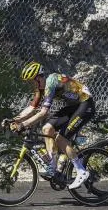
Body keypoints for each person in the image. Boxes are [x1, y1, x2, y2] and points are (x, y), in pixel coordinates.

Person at [7, 61, 96, 190]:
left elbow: (43, 112)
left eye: (31, 81)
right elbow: (32, 108)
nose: (30, 84)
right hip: (73, 106)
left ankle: (81, 171)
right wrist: (13, 120)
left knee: (61, 138)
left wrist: (23, 124)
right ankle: (53, 167)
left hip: (85, 104)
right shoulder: (41, 88)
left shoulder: (51, 82)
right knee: (47, 128)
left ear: (38, 78)